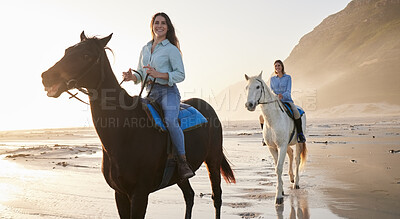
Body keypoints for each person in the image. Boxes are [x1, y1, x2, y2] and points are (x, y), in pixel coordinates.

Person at [122, 12, 195, 179]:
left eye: (163, 23)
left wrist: (159, 74)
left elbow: (180, 75)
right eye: (156, 23)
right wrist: (131, 77)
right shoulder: (145, 49)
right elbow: (142, 74)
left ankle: (182, 161)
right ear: (152, 26)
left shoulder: (171, 49)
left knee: (170, 120)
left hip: (167, 92)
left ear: (167, 27)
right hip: (149, 92)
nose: (159, 26)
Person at [270, 60, 306, 143]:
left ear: (282, 67)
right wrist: (275, 96)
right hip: (275, 102)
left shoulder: (288, 77)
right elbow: (271, 90)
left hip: (286, 100)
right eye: (276, 66)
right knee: (262, 117)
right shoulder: (272, 79)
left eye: (279, 65)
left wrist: (282, 95)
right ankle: (265, 137)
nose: (277, 67)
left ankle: (300, 134)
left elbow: (288, 91)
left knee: (296, 113)